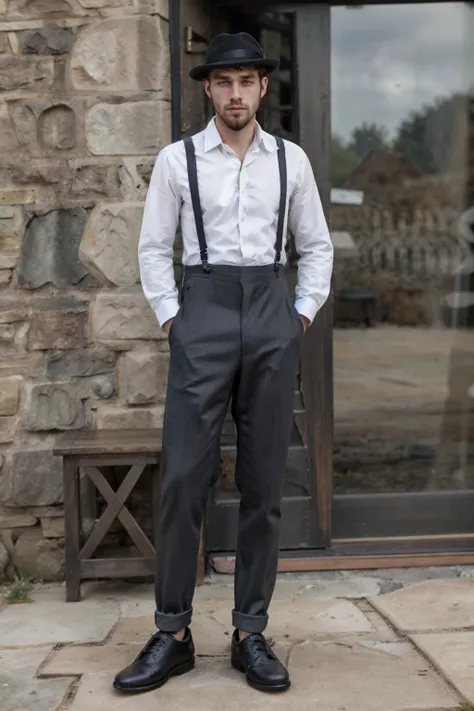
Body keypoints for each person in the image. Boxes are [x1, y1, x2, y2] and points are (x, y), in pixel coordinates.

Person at [113, 31, 333, 695]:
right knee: (183, 474)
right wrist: (174, 319)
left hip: (271, 311)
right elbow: (155, 249)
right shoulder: (177, 160)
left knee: (265, 481)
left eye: (247, 81)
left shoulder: (290, 161)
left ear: (263, 87)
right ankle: (172, 631)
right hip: (201, 310)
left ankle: (250, 631)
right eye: (224, 81)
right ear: (208, 88)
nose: (236, 93)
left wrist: (296, 317)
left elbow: (316, 247)